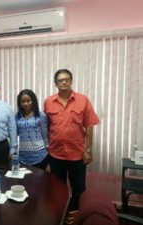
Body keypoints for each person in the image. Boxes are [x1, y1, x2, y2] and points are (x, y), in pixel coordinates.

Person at [44, 69, 99, 211]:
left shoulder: (83, 100)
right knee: (58, 188)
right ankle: (60, 214)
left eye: (66, 79)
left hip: (77, 154)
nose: (63, 82)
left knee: (79, 188)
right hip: (55, 154)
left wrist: (88, 151)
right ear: (55, 83)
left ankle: (75, 215)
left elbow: (89, 126)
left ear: (71, 81)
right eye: (60, 80)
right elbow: (46, 125)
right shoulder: (49, 101)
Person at [16, 89, 49, 169]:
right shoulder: (17, 116)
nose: (26, 103)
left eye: (28, 100)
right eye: (23, 101)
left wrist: (47, 148)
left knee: (39, 180)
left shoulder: (41, 115)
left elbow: (45, 134)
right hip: (23, 156)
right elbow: (15, 133)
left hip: (40, 156)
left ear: (33, 101)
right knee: (24, 181)